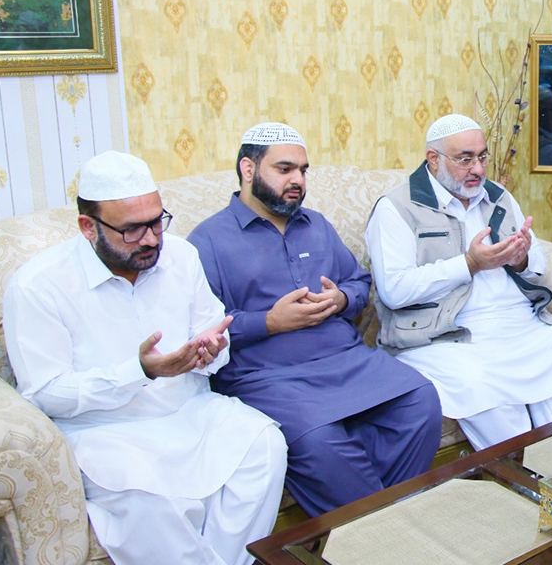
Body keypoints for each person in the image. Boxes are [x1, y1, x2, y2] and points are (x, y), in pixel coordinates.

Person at [4, 151, 287, 565]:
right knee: (148, 502)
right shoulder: (37, 284)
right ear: (87, 227)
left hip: (190, 409)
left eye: (157, 221)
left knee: (265, 444)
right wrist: (140, 371)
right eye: (133, 229)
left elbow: (213, 330)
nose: (152, 239)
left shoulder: (182, 255)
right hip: (106, 432)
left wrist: (211, 350)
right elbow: (45, 392)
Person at [188, 122, 442, 517]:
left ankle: (380, 524)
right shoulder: (207, 241)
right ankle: (388, 530)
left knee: (420, 401)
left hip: (345, 360)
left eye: (303, 171)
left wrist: (341, 299)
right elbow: (200, 331)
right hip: (267, 375)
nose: (298, 181)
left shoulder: (317, 225)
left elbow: (358, 281)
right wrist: (270, 322)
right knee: (317, 441)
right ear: (248, 169)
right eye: (285, 169)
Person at [364, 114, 552, 451]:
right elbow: (394, 290)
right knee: (480, 384)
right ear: (433, 159)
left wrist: (521, 257)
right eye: (465, 159)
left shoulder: (498, 197)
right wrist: (469, 264)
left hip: (519, 327)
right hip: (445, 338)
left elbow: (537, 265)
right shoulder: (396, 208)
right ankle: (525, 475)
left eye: (482, 157)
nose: (479, 169)